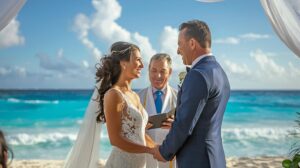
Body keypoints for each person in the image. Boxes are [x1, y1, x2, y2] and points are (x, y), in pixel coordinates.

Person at [63, 41, 156, 168]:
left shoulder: (134, 95)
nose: (142, 65)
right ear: (123, 63)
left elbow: (138, 134)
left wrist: (158, 148)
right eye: (138, 60)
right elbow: (115, 139)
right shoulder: (113, 94)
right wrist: (149, 150)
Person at [152, 20, 231, 168]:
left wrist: (163, 152)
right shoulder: (220, 72)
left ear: (192, 43)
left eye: (180, 44)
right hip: (216, 158)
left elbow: (184, 125)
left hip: (197, 161)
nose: (177, 50)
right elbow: (203, 118)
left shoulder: (198, 75)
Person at [137, 53, 177, 168]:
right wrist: (140, 128)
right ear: (148, 71)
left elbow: (190, 129)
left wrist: (178, 125)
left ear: (169, 72)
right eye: (153, 70)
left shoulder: (180, 98)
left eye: (163, 71)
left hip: (171, 158)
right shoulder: (138, 97)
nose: (158, 76)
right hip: (145, 157)